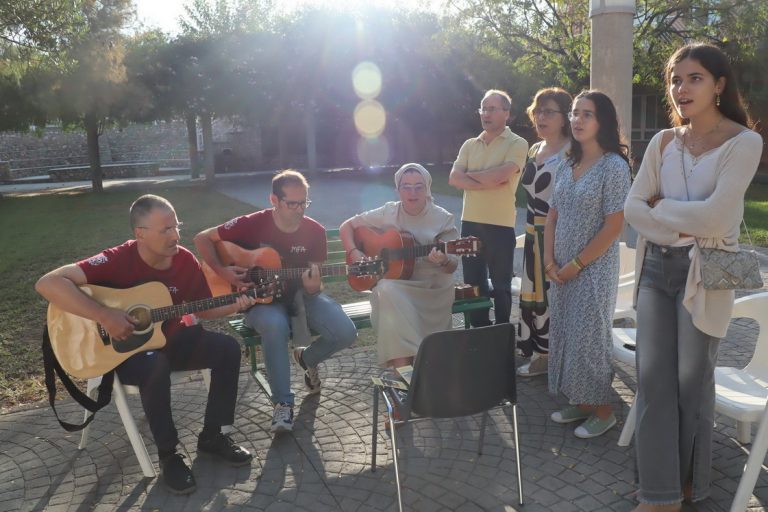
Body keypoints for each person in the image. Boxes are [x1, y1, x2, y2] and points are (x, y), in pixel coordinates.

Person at [35, 194, 255, 495]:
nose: (175, 235)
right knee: (155, 364)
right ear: (140, 233)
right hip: (127, 353)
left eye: (176, 226)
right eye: (165, 230)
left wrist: (235, 304)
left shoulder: (184, 260)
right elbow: (47, 283)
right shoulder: (117, 259)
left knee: (227, 349)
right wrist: (104, 315)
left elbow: (203, 308)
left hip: (172, 340)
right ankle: (169, 456)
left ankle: (212, 437)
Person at [624, 43, 762, 512]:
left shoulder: (743, 142)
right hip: (654, 269)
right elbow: (632, 208)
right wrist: (676, 222)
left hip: (703, 273)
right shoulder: (663, 141)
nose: (681, 88)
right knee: (652, 377)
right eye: (675, 79)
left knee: (690, 380)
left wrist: (661, 207)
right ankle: (659, 494)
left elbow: (716, 217)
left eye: (694, 78)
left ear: (719, 84)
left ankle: (689, 484)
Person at [194, 170, 357, 435]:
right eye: (292, 203)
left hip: (300, 297)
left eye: (304, 202)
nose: (300, 209)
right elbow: (202, 238)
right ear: (274, 200)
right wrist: (224, 272)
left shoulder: (314, 231)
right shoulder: (251, 223)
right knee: (275, 326)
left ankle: (306, 358)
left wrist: (314, 288)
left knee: (346, 332)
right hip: (260, 302)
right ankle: (283, 404)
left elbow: (315, 280)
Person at [545, 90, 631, 439]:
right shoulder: (567, 163)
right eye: (575, 113)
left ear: (602, 121)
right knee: (566, 334)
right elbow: (552, 216)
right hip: (560, 268)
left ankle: (604, 410)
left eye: (587, 114)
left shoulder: (614, 167)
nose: (578, 120)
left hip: (593, 270)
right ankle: (582, 402)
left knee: (589, 339)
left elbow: (614, 226)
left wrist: (577, 264)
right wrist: (549, 261)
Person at [339, 163, 459, 368]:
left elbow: (452, 266)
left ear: (427, 188)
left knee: (387, 292)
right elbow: (347, 226)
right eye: (406, 187)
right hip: (398, 285)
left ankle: (409, 369)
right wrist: (354, 252)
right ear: (397, 189)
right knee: (387, 289)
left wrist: (444, 260)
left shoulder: (443, 218)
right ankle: (403, 369)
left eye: (419, 187)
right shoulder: (389, 211)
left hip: (432, 288)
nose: (413, 193)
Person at [449, 89, 529, 327]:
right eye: (483, 108)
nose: (486, 114)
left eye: (492, 109)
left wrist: (470, 177)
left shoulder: (518, 143)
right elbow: (454, 178)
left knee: (502, 286)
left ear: (507, 113)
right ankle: (479, 331)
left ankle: (503, 333)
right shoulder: (469, 144)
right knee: (474, 285)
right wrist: (488, 180)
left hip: (500, 225)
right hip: (470, 223)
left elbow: (499, 177)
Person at [516, 87, 573, 378]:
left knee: (552, 297)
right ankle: (541, 356)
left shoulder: (572, 153)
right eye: (538, 111)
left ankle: (558, 359)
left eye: (549, 112)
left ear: (565, 117)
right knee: (534, 295)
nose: (541, 117)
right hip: (532, 234)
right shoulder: (534, 149)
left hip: (556, 237)